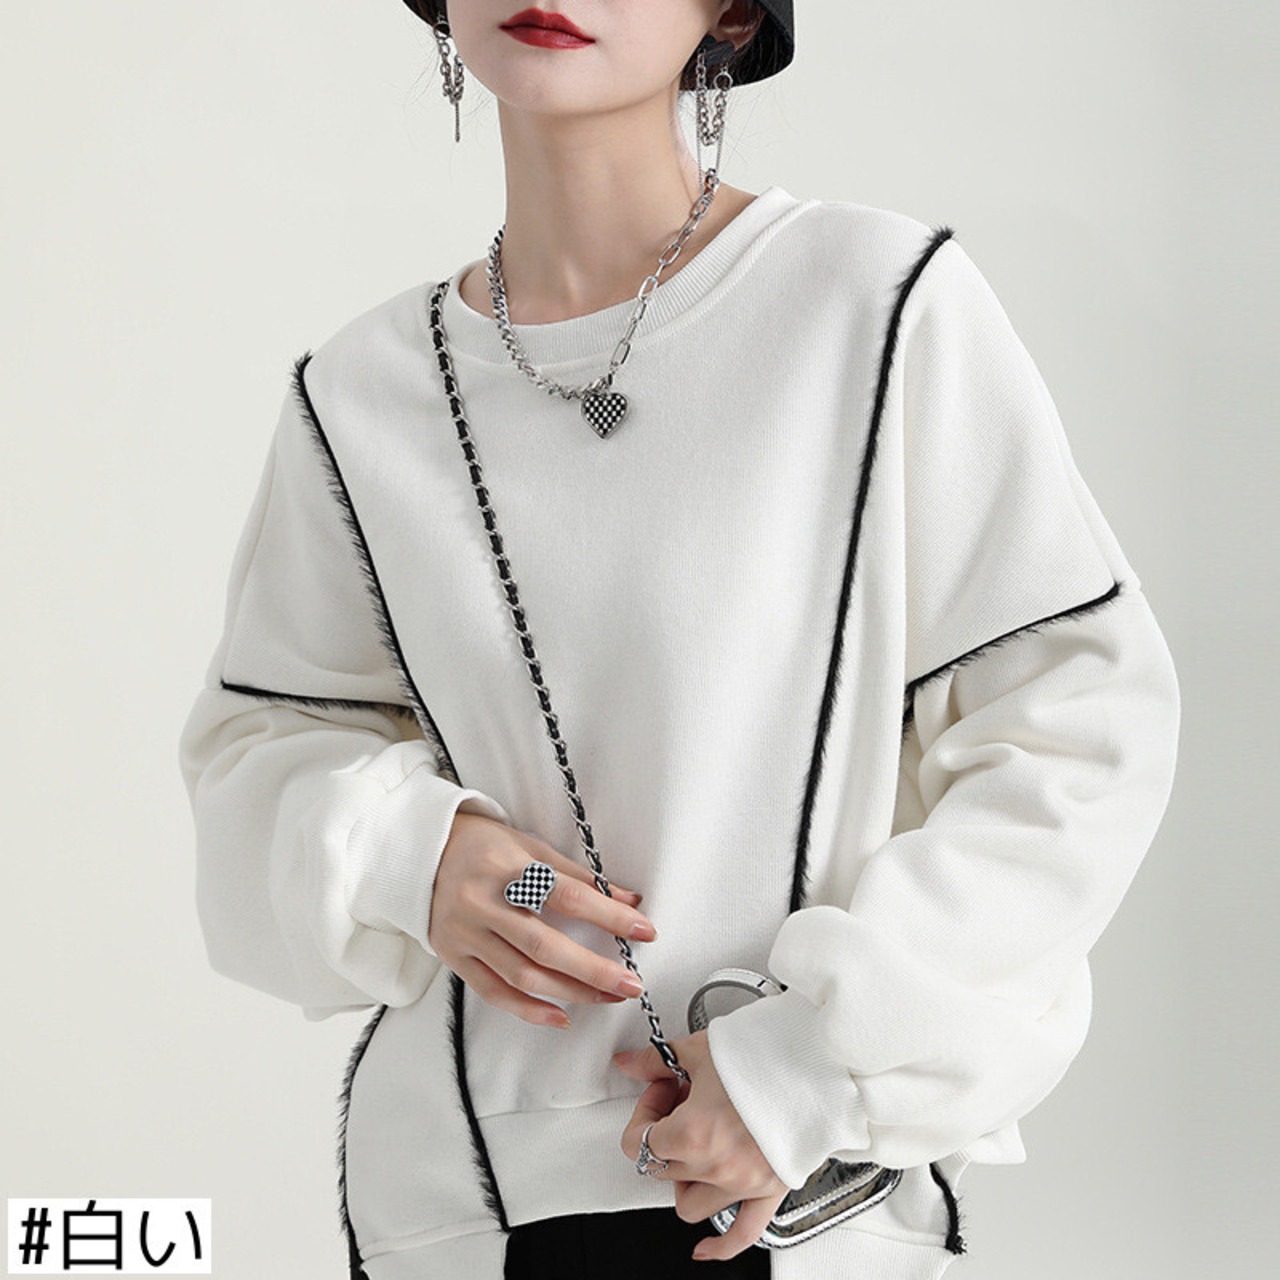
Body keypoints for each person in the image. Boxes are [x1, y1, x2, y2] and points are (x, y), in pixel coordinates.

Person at [176, 3, 1181, 1278]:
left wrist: (807, 1065)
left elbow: (1077, 729)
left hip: (794, 1198)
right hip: (465, 1208)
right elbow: (257, 751)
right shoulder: (359, 396)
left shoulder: (871, 306)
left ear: (734, 9)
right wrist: (410, 851)